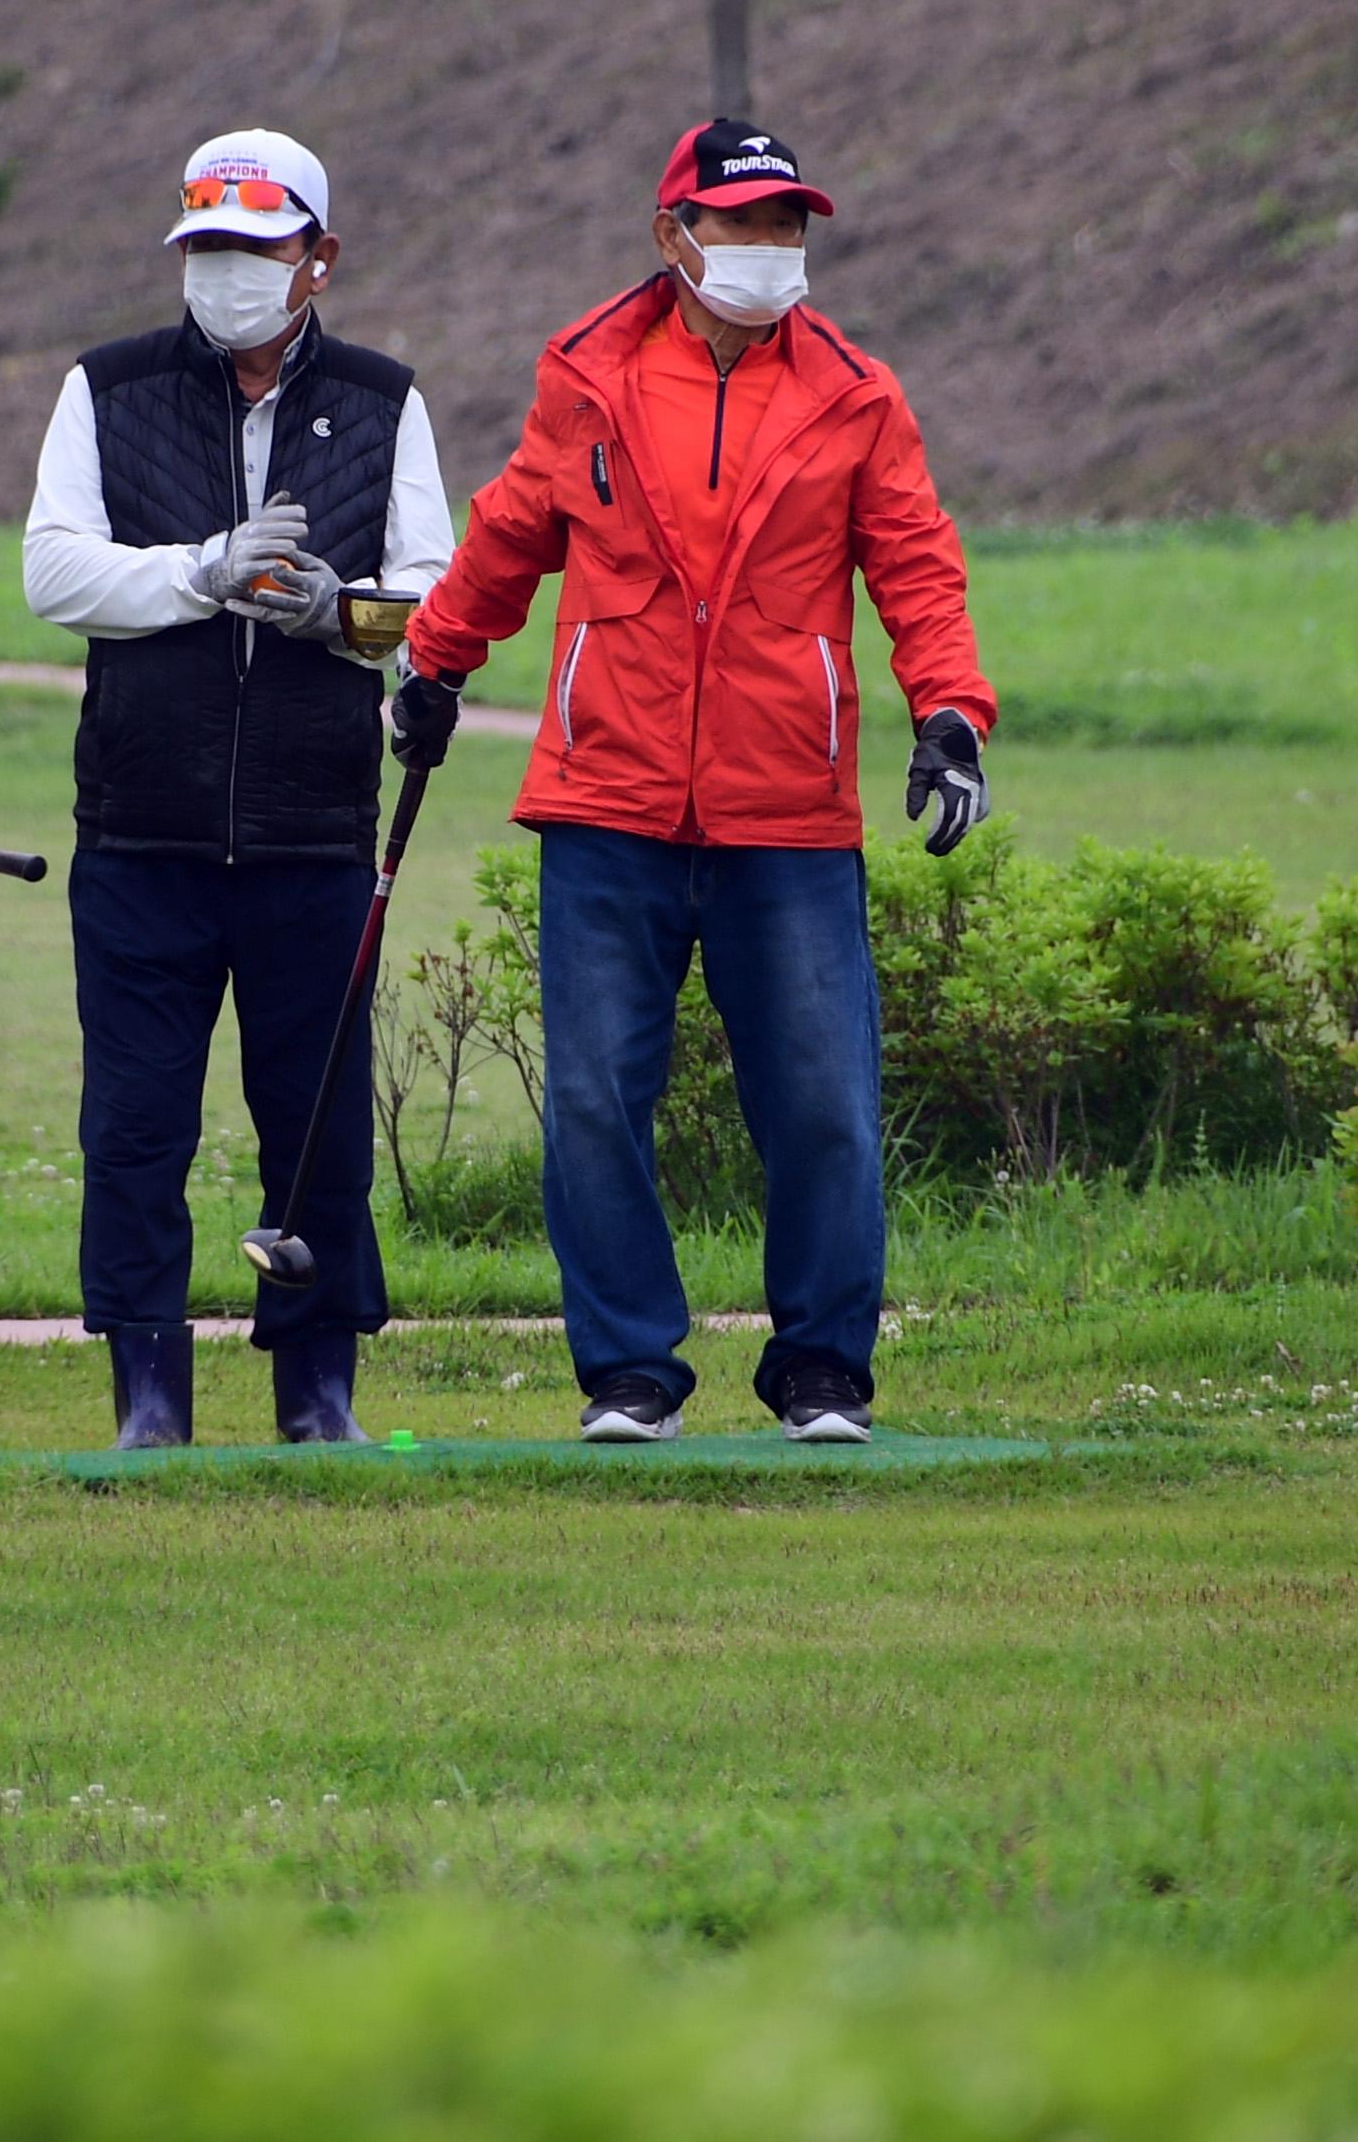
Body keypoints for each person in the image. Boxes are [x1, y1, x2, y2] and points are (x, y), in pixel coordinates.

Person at [394, 118, 996, 1445]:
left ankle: (824, 1372)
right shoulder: (590, 377)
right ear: (673, 236)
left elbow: (917, 565)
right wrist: (435, 659)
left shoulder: (857, 393)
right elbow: (508, 530)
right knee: (599, 1101)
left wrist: (949, 713)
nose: (773, 248)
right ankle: (629, 1374)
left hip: (789, 809)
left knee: (824, 1102)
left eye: (790, 225)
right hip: (609, 801)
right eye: (744, 224)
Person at [22, 128, 454, 1448]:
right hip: (141, 831)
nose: (228, 273)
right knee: (136, 1127)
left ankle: (317, 1398)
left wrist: (340, 617)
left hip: (313, 835)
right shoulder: (110, 387)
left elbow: (434, 599)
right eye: (207, 247)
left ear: (317, 260)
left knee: (313, 1128)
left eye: (257, 249)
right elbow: (53, 573)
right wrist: (202, 570)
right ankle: (149, 1399)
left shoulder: (385, 401)